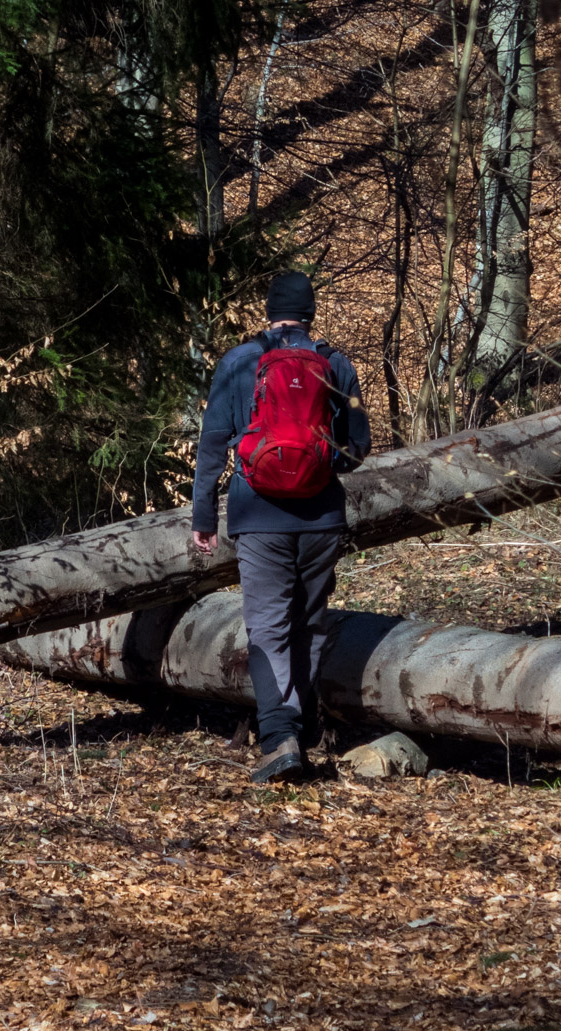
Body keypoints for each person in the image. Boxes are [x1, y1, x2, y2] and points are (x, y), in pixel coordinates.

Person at [191, 271, 372, 783]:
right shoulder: (336, 363)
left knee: (268, 626)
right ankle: (303, 725)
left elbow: (211, 447)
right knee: (310, 623)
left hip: (256, 516)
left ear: (269, 311)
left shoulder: (238, 362)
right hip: (321, 519)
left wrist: (204, 517)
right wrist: (318, 467)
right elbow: (358, 444)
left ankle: (279, 738)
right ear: (310, 312)